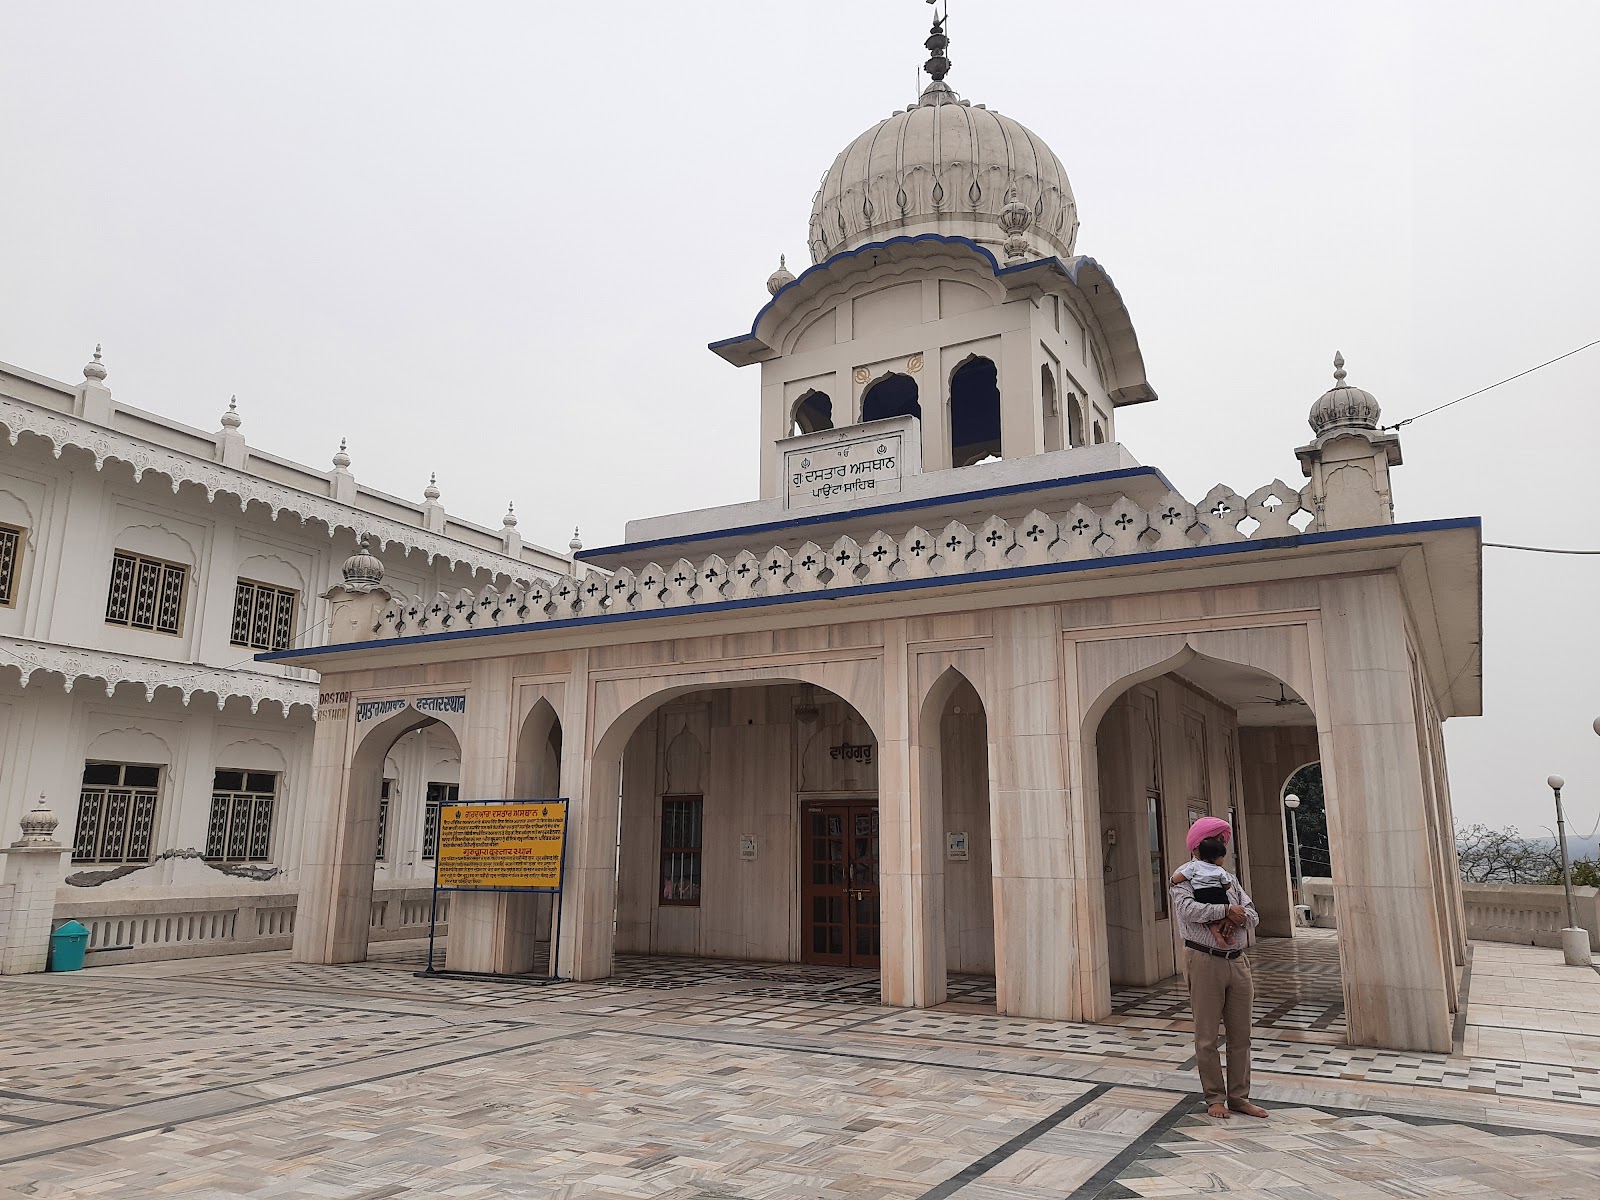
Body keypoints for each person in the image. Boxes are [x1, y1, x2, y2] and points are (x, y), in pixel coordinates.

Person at [1171, 816, 1267, 1120]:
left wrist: (1236, 917)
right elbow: (1187, 910)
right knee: (1207, 1035)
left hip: (1237, 961)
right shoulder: (1183, 877)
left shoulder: (1229, 878)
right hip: (1203, 960)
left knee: (1241, 1035)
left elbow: (1252, 914)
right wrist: (1227, 910)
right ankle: (1214, 1097)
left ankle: (1239, 1097)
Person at [1171, 855, 1237, 948]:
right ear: (1214, 858)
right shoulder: (1219, 869)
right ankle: (1229, 937)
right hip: (1219, 895)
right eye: (1221, 857)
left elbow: (1182, 876)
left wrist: (1172, 880)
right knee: (1223, 915)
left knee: (1210, 921)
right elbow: (1227, 885)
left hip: (1202, 895)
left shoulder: (1194, 866)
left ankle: (1219, 938)